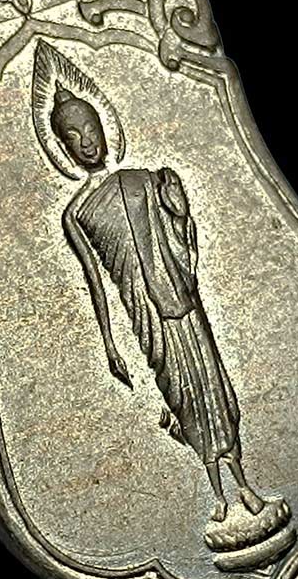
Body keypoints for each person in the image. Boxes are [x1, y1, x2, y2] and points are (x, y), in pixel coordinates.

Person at [53, 82, 265, 523]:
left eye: (90, 129)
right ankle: (217, 493)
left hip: (181, 301)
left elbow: (180, 239)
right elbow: (95, 282)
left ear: (104, 128)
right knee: (181, 393)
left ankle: (243, 482)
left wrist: (179, 211)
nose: (86, 142)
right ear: (63, 148)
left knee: (213, 384)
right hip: (144, 315)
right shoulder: (75, 213)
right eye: (74, 138)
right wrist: (109, 344)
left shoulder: (144, 180)